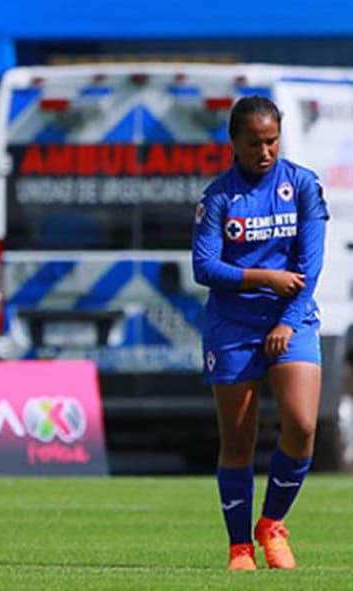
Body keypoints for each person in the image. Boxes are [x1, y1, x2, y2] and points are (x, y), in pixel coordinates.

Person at [192, 95, 329, 571]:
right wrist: (263, 278)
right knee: (238, 440)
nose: (265, 151)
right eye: (254, 143)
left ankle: (271, 524)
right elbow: (204, 267)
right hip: (233, 327)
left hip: (292, 319)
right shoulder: (218, 198)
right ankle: (239, 548)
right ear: (233, 142)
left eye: (271, 140)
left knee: (303, 425)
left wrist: (288, 321)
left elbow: (311, 265)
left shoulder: (302, 185)